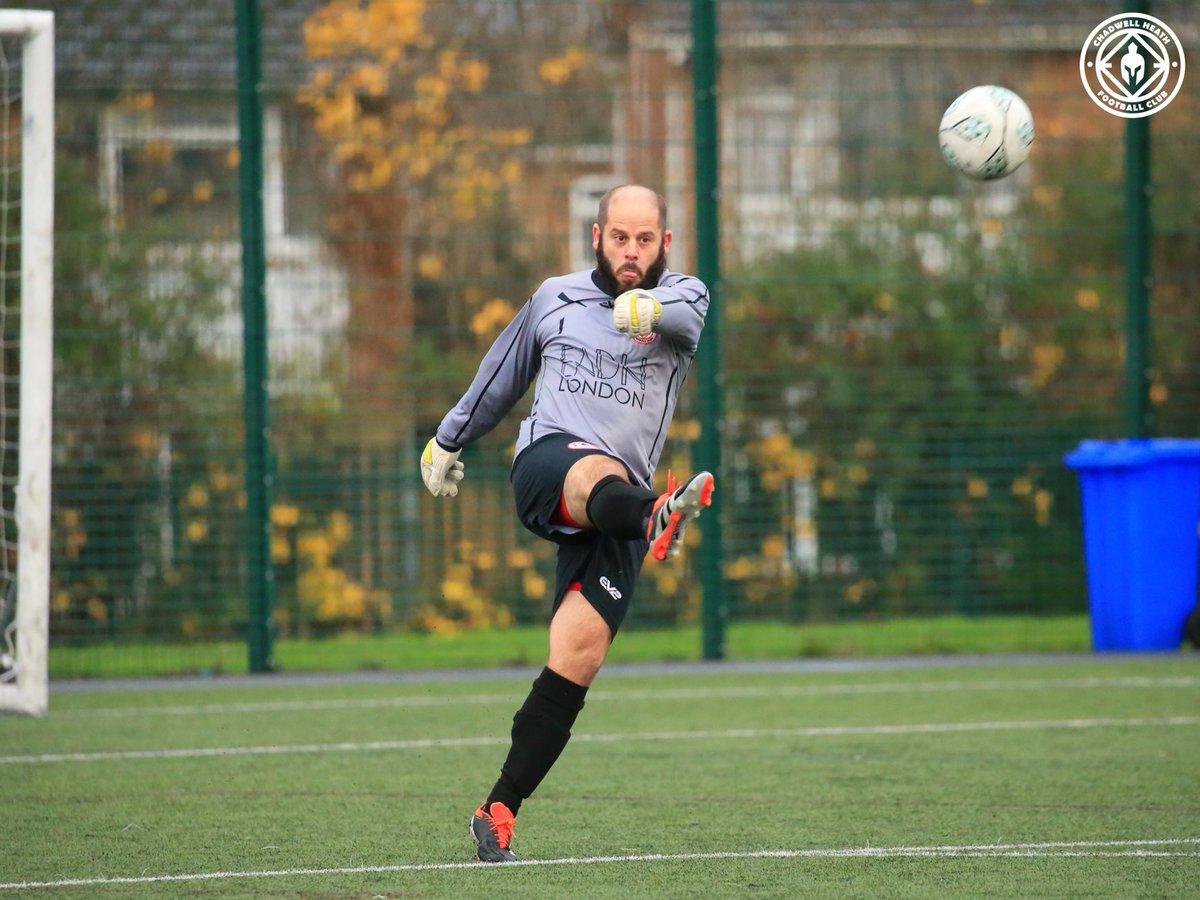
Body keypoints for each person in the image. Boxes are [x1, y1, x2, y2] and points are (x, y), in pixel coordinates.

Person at [419, 183, 715, 863]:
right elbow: (501, 374)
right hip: (550, 466)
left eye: (646, 240)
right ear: (597, 237)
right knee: (595, 472)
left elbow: (678, 317)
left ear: (665, 244)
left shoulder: (688, 298)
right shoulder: (554, 297)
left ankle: (497, 810)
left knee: (576, 659)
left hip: (618, 510)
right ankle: (658, 516)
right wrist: (447, 439)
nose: (632, 251)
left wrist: (643, 306)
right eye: (620, 238)